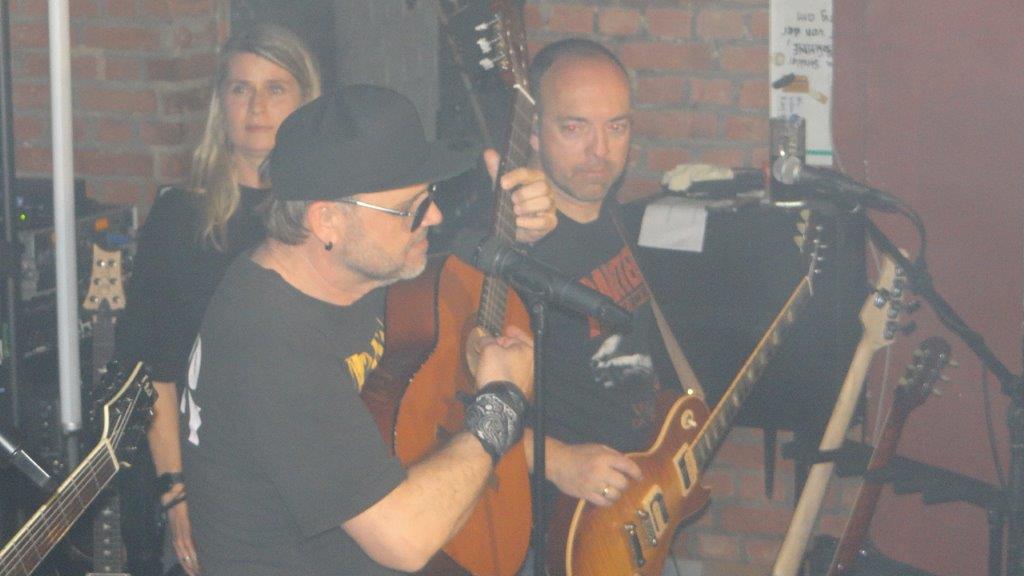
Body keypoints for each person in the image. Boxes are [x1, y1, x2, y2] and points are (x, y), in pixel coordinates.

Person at [179, 84, 552, 575]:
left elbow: (432, 300)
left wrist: (512, 232)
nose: (434, 215)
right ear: (327, 221)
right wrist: (501, 401)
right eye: (411, 207)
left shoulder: (350, 272)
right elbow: (405, 540)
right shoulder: (269, 338)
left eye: (431, 196)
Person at [115, 24, 322, 576]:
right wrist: (176, 492)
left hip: (305, 479)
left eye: (275, 88)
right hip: (205, 475)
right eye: (240, 88)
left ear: (306, 102)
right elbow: (152, 367)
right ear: (220, 105)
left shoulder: (328, 219)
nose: (256, 106)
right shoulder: (180, 218)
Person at [523, 37, 686, 536]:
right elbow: (445, 409)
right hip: (552, 529)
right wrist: (556, 460)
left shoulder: (615, 220)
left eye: (616, 127)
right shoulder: (512, 246)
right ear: (533, 131)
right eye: (574, 127)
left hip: (631, 509)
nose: (600, 150)